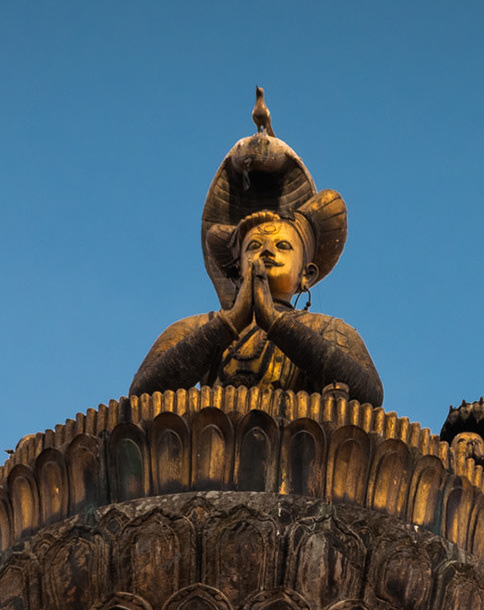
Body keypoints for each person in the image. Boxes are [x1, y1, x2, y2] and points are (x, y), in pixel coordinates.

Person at [129, 95, 384, 406]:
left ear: (306, 274)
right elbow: (142, 393)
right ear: (236, 269)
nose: (266, 251)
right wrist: (233, 321)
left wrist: (275, 322)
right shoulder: (198, 327)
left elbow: (369, 393)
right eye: (253, 246)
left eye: (283, 246)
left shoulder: (328, 330)